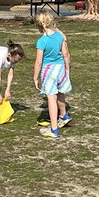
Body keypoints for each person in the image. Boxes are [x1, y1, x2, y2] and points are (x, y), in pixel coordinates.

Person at [32, 11, 71, 139]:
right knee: (60, 92)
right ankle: (63, 115)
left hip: (49, 70)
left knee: (51, 98)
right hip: (60, 68)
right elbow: (65, 54)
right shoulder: (60, 37)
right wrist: (67, 68)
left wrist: (35, 77)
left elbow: (38, 61)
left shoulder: (41, 41)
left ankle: (53, 129)